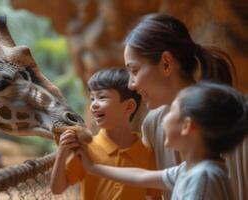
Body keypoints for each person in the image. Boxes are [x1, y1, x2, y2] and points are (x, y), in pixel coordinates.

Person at [121, 13, 247, 199]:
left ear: (165, 63)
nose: (131, 84)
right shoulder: (152, 125)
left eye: (134, 70)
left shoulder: (240, 116)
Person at [78, 82, 248, 200]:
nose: (164, 119)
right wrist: (93, 168)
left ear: (187, 126)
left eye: (171, 111)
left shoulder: (202, 177)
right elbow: (142, 176)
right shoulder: (190, 170)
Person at [50, 68, 162, 200]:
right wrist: (62, 153)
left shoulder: (147, 152)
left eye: (102, 97)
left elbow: (155, 196)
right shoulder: (87, 148)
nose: (93, 105)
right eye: (92, 99)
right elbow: (57, 189)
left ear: (129, 106)